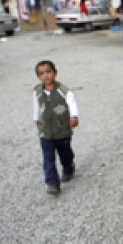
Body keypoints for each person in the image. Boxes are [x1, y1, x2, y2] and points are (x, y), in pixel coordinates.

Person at [33, 60, 79, 194]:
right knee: (48, 158)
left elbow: (72, 103)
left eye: (48, 72)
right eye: (41, 74)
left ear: (55, 73)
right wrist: (36, 118)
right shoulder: (37, 91)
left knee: (65, 153)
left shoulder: (63, 90)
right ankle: (52, 182)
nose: (46, 76)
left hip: (62, 129)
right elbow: (36, 106)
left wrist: (74, 116)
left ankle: (68, 167)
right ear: (38, 76)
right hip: (45, 131)